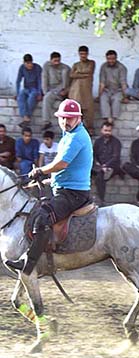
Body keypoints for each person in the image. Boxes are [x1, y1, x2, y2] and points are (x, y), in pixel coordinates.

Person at [5, 99, 93, 275]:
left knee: (42, 217)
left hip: (72, 194)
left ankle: (28, 265)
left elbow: (61, 164)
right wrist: (49, 180)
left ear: (78, 118)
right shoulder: (68, 136)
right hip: (63, 188)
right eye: (63, 118)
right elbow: (64, 168)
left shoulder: (77, 137)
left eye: (70, 118)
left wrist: (39, 170)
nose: (66, 122)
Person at [91, 121, 122, 206]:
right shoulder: (98, 141)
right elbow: (94, 155)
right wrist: (99, 165)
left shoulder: (116, 142)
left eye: (109, 131)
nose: (107, 132)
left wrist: (106, 165)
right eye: (105, 130)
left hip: (111, 166)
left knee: (100, 176)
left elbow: (116, 157)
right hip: (99, 166)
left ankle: (101, 200)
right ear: (102, 130)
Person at [68, 46, 96, 133]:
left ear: (87, 54)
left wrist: (78, 73)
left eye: (84, 54)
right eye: (81, 54)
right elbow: (71, 75)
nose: (83, 56)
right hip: (76, 91)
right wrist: (84, 74)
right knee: (77, 109)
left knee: (88, 110)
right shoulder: (76, 64)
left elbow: (89, 71)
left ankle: (90, 129)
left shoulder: (91, 63)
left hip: (87, 91)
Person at [41, 52, 71, 132]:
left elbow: (68, 83)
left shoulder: (65, 68)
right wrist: (45, 92)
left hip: (62, 91)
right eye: (55, 61)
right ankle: (46, 122)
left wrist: (64, 90)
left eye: (58, 61)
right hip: (51, 90)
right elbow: (44, 79)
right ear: (51, 60)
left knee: (48, 97)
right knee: (47, 98)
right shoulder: (46, 66)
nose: (57, 63)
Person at [98, 50, 128, 125]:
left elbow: (123, 83)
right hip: (107, 90)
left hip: (118, 90)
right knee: (103, 99)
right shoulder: (103, 66)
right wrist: (99, 96)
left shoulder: (122, 67)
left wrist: (125, 97)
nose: (111, 61)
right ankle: (108, 119)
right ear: (106, 58)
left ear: (116, 58)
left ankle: (112, 119)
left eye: (113, 59)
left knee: (116, 100)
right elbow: (102, 83)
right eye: (109, 59)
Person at [16, 54, 43, 129]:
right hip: (26, 88)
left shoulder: (37, 68)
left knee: (32, 97)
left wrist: (39, 93)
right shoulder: (22, 68)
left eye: (30, 63)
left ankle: (27, 117)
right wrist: (17, 93)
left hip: (35, 88)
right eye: (27, 63)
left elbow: (40, 81)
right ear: (24, 63)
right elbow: (18, 81)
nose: (29, 65)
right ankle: (25, 117)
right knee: (20, 96)